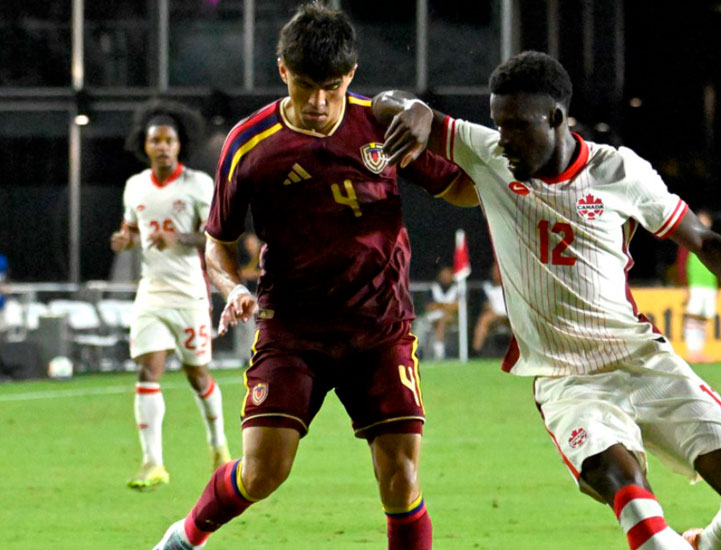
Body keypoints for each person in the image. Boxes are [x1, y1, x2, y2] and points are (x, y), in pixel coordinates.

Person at [377, 51, 721, 550]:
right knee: (635, 501)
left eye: (517, 126)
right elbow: (384, 104)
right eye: (498, 124)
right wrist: (415, 110)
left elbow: (703, 240)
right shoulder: (490, 155)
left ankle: (704, 544)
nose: (504, 138)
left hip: (641, 359)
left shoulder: (620, 172)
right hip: (568, 380)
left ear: (556, 118)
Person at [152, 4, 473, 549]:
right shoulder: (249, 144)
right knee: (263, 473)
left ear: (351, 74)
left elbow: (459, 187)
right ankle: (183, 539)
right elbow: (218, 242)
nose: (319, 102)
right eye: (306, 86)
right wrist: (232, 289)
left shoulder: (382, 126)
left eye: (332, 87)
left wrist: (511, 184)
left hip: (380, 328)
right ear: (283, 71)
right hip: (292, 331)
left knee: (401, 478)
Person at [110, 99, 231, 490]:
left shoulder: (198, 185)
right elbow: (132, 230)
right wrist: (125, 240)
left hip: (189, 293)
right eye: (155, 141)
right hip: (151, 293)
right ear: (144, 145)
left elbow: (212, 236)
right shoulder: (135, 186)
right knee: (148, 371)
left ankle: (218, 446)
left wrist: (178, 237)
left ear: (180, 144)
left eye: (169, 140)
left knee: (197, 375)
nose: (162, 147)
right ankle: (152, 463)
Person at [679, 211, 720, 363]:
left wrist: (718, 286)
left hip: (710, 286)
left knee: (703, 319)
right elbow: (682, 264)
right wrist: (685, 285)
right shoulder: (687, 240)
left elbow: (718, 266)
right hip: (695, 286)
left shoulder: (713, 243)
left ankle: (700, 352)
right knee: (693, 316)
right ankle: (691, 351)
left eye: (705, 221)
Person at [472, 263, 509, 355]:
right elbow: (485, 305)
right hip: (494, 315)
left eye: (498, 271)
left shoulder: (510, 287)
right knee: (483, 319)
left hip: (509, 316)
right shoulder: (487, 287)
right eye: (494, 271)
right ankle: (476, 351)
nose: (496, 273)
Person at [425, 265, 459, 359]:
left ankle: (439, 351)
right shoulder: (433, 288)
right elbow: (429, 307)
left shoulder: (457, 288)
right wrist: (447, 306)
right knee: (437, 322)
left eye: (447, 274)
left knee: (442, 320)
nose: (445, 277)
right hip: (433, 318)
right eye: (443, 274)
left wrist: (440, 305)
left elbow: (458, 307)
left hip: (453, 318)